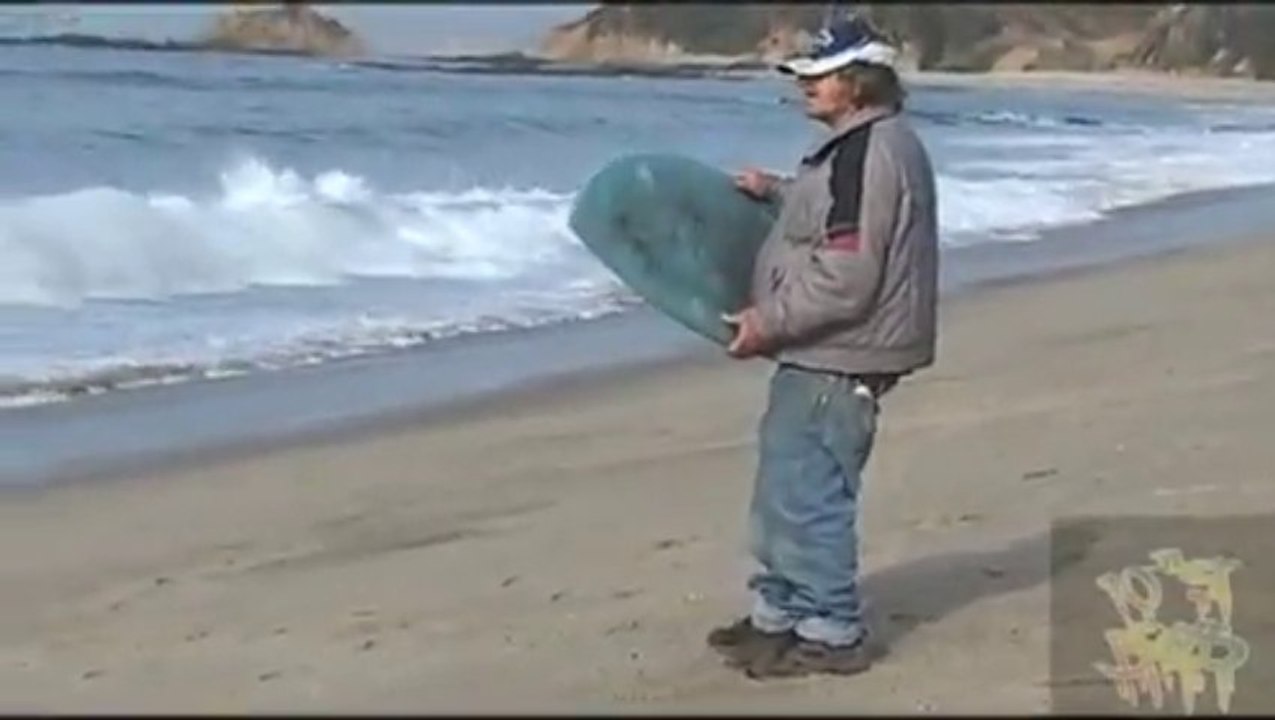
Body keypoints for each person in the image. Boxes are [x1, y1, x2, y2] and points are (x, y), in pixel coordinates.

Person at [710, 14, 939, 679]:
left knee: (810, 494)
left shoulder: (869, 153)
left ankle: (831, 630)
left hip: (841, 351)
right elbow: (842, 219)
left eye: (819, 76)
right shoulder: (860, 149)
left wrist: (766, 323)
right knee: (783, 486)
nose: (804, 86)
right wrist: (777, 193)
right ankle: (778, 615)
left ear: (859, 82)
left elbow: (846, 275)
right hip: (829, 351)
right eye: (804, 75)